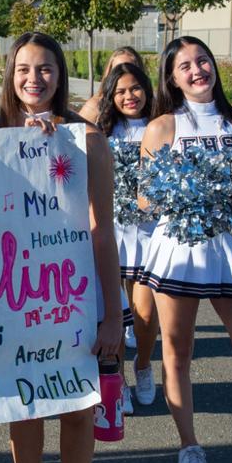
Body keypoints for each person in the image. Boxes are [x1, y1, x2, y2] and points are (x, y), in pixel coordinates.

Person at [0, 32, 124, 463]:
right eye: (24, 68)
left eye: (45, 68)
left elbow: (102, 230)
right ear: (10, 75)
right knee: (25, 405)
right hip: (12, 296)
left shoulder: (87, 139)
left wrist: (113, 316)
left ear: (60, 74)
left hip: (74, 296)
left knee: (76, 407)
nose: (34, 79)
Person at [138, 36, 232, 463]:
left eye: (202, 61)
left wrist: (230, 196)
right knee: (177, 354)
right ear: (173, 78)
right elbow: (143, 198)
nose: (197, 70)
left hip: (229, 253)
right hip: (178, 252)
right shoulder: (161, 126)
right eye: (185, 66)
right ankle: (189, 446)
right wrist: (184, 191)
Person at [91, 61, 159, 414]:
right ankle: (118, 382)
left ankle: (144, 365)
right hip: (111, 232)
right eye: (120, 91)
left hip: (150, 233)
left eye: (135, 89)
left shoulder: (161, 127)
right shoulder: (100, 130)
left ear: (146, 90)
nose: (129, 96)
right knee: (113, 311)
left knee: (146, 314)